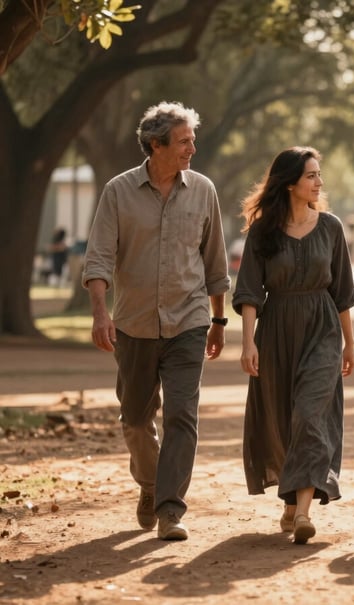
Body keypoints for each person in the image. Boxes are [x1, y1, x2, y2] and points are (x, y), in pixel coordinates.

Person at [82, 101, 230, 541]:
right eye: (183, 141)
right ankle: (150, 484)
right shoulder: (118, 191)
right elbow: (100, 257)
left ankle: (170, 508)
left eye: (191, 140)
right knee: (135, 420)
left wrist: (219, 320)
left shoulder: (203, 190)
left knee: (182, 415)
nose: (192, 148)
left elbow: (215, 261)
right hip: (134, 325)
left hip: (189, 321)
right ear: (156, 145)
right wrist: (99, 313)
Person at [232, 146, 354, 545]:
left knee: (310, 412)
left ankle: (303, 512)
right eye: (312, 176)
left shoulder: (332, 227)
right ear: (290, 184)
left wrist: (350, 344)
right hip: (277, 331)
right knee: (284, 417)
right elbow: (250, 290)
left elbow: (342, 292)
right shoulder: (263, 231)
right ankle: (292, 499)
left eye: (319, 175)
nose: (320, 182)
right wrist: (248, 343)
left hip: (322, 328)